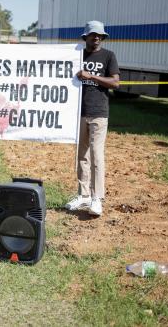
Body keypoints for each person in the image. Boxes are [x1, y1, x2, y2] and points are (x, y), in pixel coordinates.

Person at [65, 20, 120, 217]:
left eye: (99, 35)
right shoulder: (77, 55)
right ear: (85, 37)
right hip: (80, 112)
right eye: (92, 35)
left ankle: (97, 198)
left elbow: (115, 83)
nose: (96, 38)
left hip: (99, 113)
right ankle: (83, 195)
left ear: (102, 37)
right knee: (82, 156)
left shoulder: (108, 56)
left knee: (97, 156)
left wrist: (92, 77)